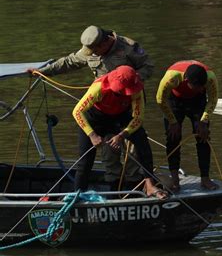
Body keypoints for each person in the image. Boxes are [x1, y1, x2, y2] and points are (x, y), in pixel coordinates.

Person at [28, 25, 154, 185]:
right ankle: (114, 183)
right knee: (109, 147)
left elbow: (148, 66)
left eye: (95, 50)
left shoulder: (128, 47)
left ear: (103, 44)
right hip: (103, 102)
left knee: (134, 147)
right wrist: (44, 71)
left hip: (129, 100)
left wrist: (131, 80)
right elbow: (69, 62)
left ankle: (135, 181)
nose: (92, 54)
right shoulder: (90, 49)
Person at [72, 65, 167, 199]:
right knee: (85, 160)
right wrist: (92, 135)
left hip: (120, 117)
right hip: (96, 120)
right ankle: (78, 195)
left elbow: (138, 118)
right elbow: (77, 112)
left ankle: (149, 184)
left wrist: (123, 135)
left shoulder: (136, 91)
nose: (125, 93)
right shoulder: (98, 88)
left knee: (142, 140)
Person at [156, 60, 219, 192]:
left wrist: (203, 121)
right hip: (175, 101)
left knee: (203, 137)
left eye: (202, 86)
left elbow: (213, 100)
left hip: (197, 102)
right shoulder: (171, 77)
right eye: (197, 86)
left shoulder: (210, 78)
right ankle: (175, 179)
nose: (201, 89)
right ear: (186, 80)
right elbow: (160, 100)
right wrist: (173, 122)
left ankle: (205, 178)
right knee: (173, 137)